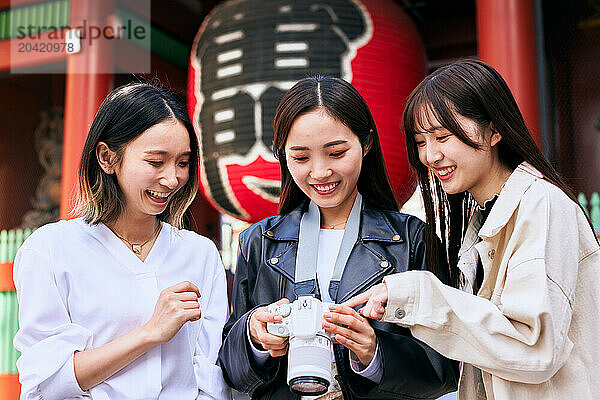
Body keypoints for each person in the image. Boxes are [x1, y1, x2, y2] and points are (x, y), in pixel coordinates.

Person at [346, 60, 600, 399]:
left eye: (442, 136)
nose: (430, 155)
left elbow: (534, 345)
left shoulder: (541, 205)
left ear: (495, 131)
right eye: (421, 141)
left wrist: (418, 296)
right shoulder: (473, 215)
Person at [218, 76, 458, 400]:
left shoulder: (412, 240)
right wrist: (254, 338)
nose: (319, 172)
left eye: (336, 153)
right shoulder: (257, 243)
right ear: (283, 156)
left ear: (366, 143)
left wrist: (374, 353)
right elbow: (230, 370)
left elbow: (445, 368)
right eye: (301, 158)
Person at [13, 83, 231, 400]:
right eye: (156, 161)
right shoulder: (50, 250)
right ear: (107, 158)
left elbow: (213, 379)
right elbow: (46, 384)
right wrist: (149, 333)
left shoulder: (200, 254)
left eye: (182, 163)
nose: (172, 179)